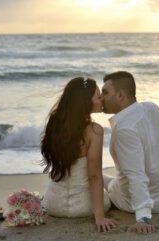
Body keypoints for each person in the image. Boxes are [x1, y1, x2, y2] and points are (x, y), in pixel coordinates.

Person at [100, 71, 159, 233]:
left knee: (92, 174)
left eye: (105, 92)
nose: (101, 97)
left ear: (121, 95)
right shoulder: (152, 108)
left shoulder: (125, 129)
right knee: (107, 179)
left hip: (137, 201)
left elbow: (136, 175)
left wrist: (142, 217)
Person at [41, 77, 118, 232]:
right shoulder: (94, 131)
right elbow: (94, 176)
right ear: (85, 102)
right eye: (98, 96)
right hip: (84, 207)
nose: (102, 98)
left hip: (53, 205)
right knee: (113, 185)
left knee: (107, 179)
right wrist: (100, 217)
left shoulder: (55, 122)